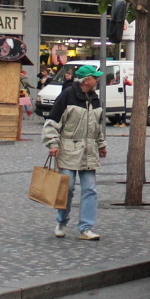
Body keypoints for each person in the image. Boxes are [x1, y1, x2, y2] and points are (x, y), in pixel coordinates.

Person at [43, 64, 108, 241]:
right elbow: (52, 121)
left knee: (90, 189)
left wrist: (101, 145)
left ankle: (86, 228)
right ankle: (61, 221)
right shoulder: (67, 95)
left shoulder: (94, 98)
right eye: (95, 77)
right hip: (69, 149)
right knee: (67, 188)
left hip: (89, 151)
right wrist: (52, 144)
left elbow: (96, 126)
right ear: (86, 80)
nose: (97, 80)